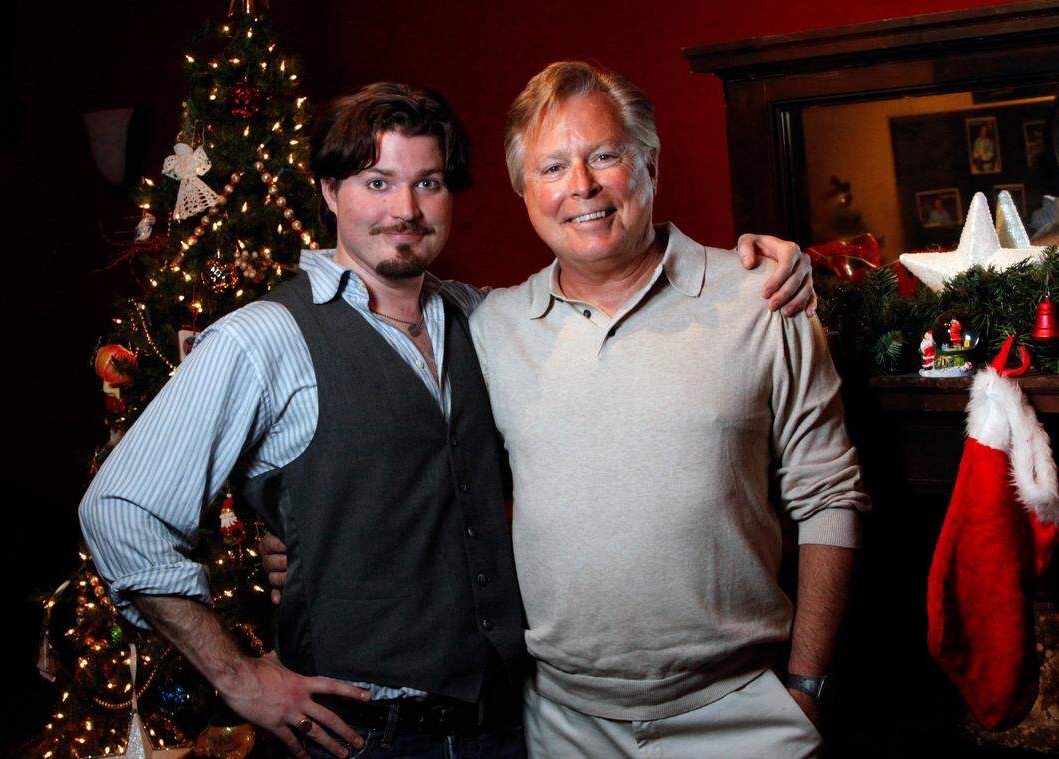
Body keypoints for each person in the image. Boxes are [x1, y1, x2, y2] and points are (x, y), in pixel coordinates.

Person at [81, 81, 813, 759]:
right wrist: (238, 677)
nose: (405, 209)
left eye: (426, 182)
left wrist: (752, 267)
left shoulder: (483, 318)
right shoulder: (262, 337)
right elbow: (120, 510)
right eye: (377, 182)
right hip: (360, 735)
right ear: (330, 192)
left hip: (507, 724)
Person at [475, 60, 869, 758]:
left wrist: (807, 686)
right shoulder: (490, 328)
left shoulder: (763, 298)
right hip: (565, 723)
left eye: (605, 156)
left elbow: (830, 493)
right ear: (524, 190)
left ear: (649, 162)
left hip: (742, 713)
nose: (582, 187)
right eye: (553, 167)